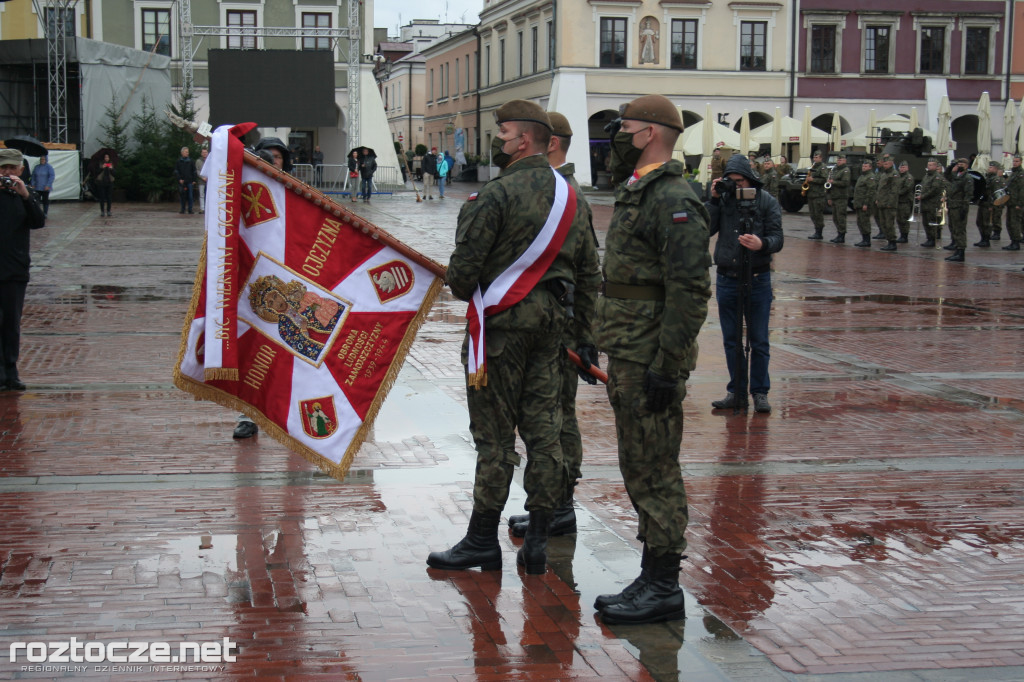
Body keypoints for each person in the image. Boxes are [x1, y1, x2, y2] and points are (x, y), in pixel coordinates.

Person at [426, 99, 598, 578]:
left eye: (503, 134)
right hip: (552, 329)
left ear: (524, 140)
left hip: (500, 332)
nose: (498, 141)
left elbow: (463, 278)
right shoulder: (572, 197)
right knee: (546, 433)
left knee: (496, 439)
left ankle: (482, 540)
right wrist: (586, 339)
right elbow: (589, 275)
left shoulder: (496, 196)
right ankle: (539, 539)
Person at [592, 94, 711, 625]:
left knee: (656, 467)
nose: (618, 137)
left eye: (625, 129)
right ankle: (651, 574)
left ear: (651, 134)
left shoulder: (674, 197)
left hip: (651, 355)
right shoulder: (639, 191)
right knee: (637, 464)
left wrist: (670, 362)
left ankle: (664, 586)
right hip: (629, 349)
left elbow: (688, 288)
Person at [506, 111, 601, 540]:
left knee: (558, 416)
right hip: (546, 322)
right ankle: (552, 504)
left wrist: (586, 336)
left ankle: (560, 506)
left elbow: (586, 271)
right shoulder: (551, 188)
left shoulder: (566, 192)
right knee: (548, 416)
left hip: (559, 325)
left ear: (552, 142)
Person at [708, 154, 784, 414]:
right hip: (727, 277)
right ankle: (736, 391)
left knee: (759, 340)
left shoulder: (766, 201)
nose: (735, 186)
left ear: (750, 179)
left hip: (757, 278)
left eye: (739, 181)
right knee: (731, 340)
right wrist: (714, 199)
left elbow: (778, 238)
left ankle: (760, 393)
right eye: (730, 181)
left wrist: (762, 244)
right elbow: (705, 228)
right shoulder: (724, 199)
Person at [0, 148, 46, 391]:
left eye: (11, 168)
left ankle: (11, 370)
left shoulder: (26, 195)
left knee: (11, 322)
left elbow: (38, 222)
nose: (7, 173)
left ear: (20, 170)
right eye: (3, 168)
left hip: (15, 271)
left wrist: (26, 195)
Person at [944, 157, 972, 261]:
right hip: (953, 205)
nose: (960, 165)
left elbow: (968, 194)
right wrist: (951, 167)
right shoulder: (956, 176)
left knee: (960, 229)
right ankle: (957, 249)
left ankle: (961, 252)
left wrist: (964, 208)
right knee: (954, 228)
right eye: (959, 163)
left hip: (960, 206)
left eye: (962, 164)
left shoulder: (967, 177)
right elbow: (946, 176)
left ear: (967, 165)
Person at [975, 160, 1006, 248]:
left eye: (991, 167)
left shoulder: (996, 180)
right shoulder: (988, 178)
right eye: (989, 167)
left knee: (986, 223)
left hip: (988, 204)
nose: (989, 168)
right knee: (979, 222)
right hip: (983, 203)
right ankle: (983, 238)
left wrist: (992, 206)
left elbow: (997, 194)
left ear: (996, 169)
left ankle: (986, 239)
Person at [919, 157, 948, 247]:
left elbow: (934, 190)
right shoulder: (926, 176)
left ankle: (932, 239)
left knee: (931, 222)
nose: (929, 166)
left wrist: (922, 196)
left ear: (935, 166)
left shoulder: (937, 177)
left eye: (931, 165)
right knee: (925, 222)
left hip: (932, 203)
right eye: (928, 165)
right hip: (925, 203)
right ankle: (929, 238)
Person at [874, 154, 900, 251]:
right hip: (882, 203)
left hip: (889, 204)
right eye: (884, 163)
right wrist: (878, 199)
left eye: (887, 163)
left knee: (889, 224)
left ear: (891, 164)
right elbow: (880, 189)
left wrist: (890, 203)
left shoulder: (894, 174)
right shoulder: (884, 174)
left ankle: (892, 242)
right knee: (883, 223)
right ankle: (889, 241)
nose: (884, 165)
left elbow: (894, 191)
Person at [852, 158, 878, 247]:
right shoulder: (862, 176)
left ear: (870, 167)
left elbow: (870, 191)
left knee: (865, 222)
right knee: (860, 222)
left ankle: (867, 240)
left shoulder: (870, 177)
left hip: (865, 203)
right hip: (859, 203)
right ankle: (864, 239)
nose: (864, 167)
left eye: (866, 166)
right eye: (863, 166)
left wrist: (866, 203)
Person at [826, 152, 851, 243]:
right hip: (834, 196)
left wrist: (834, 182)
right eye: (838, 160)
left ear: (845, 161)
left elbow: (845, 183)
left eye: (840, 160)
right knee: (835, 217)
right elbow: (829, 185)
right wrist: (829, 197)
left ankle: (842, 235)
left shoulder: (845, 170)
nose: (838, 161)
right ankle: (838, 233)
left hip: (841, 197)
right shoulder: (835, 169)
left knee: (841, 216)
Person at [805, 150, 828, 239]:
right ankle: (816, 231)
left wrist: (813, 180)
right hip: (811, 194)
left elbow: (824, 179)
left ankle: (819, 232)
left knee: (818, 214)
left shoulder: (822, 167)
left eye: (817, 157)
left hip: (818, 194)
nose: (815, 159)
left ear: (821, 158)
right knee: (813, 214)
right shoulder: (813, 166)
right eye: (814, 157)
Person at [1003, 154, 1022, 251]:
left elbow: (1022, 190)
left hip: (1016, 204)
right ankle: (1012, 241)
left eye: (1017, 161)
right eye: (1014, 161)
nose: (1015, 163)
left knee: (1015, 223)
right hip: (1010, 202)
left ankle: (1016, 242)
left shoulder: (1021, 175)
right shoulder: (1013, 173)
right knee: (1009, 223)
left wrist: (1019, 204)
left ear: (1021, 162)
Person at [895, 160, 916, 243]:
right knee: (899, 219)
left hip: (906, 201)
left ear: (907, 168)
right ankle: (902, 235)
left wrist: (897, 193)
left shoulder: (908, 177)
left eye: (904, 167)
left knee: (904, 219)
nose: (902, 169)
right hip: (899, 201)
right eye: (901, 167)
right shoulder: (899, 177)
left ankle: (905, 236)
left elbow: (906, 188)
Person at [174, 146, 197, 214]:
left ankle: (190, 209)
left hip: (190, 181)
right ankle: (182, 209)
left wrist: (194, 180)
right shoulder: (178, 161)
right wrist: (179, 179)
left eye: (188, 152)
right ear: (182, 153)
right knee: (182, 196)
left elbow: (194, 171)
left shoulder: (191, 161)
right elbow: (176, 171)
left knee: (190, 196)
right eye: (186, 152)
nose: (187, 153)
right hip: (182, 182)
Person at [92, 153, 116, 217]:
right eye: (105, 157)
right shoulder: (100, 164)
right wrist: (102, 168)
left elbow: (114, 173)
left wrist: (111, 169)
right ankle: (102, 211)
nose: (106, 158)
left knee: (109, 197)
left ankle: (108, 210)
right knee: (102, 197)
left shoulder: (111, 164)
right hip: (101, 182)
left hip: (109, 182)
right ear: (103, 158)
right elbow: (96, 172)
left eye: (107, 157)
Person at [195, 148, 209, 214]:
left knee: (208, 194)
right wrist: (202, 177)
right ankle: (202, 208)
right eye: (203, 152)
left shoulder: (210, 160)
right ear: (201, 153)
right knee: (201, 195)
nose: (204, 153)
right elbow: (197, 170)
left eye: (205, 152)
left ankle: (208, 208)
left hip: (209, 180)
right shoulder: (198, 161)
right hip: (201, 180)